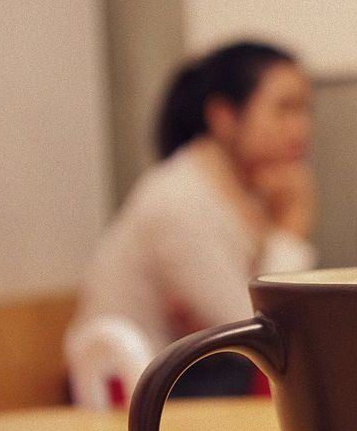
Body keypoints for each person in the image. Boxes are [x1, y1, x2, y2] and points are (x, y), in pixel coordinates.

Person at [66, 41, 318, 406]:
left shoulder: (242, 190)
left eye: (305, 110)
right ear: (224, 117)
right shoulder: (179, 198)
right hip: (130, 390)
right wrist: (290, 229)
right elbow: (261, 330)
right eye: (284, 109)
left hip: (187, 376)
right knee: (296, 372)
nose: (301, 130)